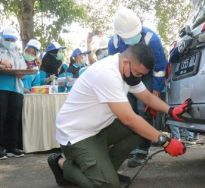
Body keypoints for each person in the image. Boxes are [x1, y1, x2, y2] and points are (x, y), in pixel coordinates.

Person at [47, 43, 189, 188]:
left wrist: (171, 110)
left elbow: (146, 96)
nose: (139, 77)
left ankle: (105, 171)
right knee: (108, 185)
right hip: (76, 135)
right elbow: (128, 119)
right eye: (138, 73)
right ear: (127, 62)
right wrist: (165, 141)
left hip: (99, 128)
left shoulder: (127, 71)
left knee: (142, 131)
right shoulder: (107, 73)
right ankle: (63, 164)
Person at [108, 7, 168, 168]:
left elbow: (160, 68)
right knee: (129, 111)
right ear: (119, 35)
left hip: (148, 74)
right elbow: (114, 70)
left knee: (144, 110)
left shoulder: (151, 38)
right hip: (124, 76)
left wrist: (155, 92)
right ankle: (131, 147)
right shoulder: (113, 43)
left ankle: (142, 149)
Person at [0, 27, 26, 159]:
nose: (10, 41)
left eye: (12, 39)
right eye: (7, 39)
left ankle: (11, 147)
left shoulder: (18, 53)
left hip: (16, 89)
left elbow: (23, 69)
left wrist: (23, 71)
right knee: (1, 117)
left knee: (14, 118)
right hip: (1, 87)